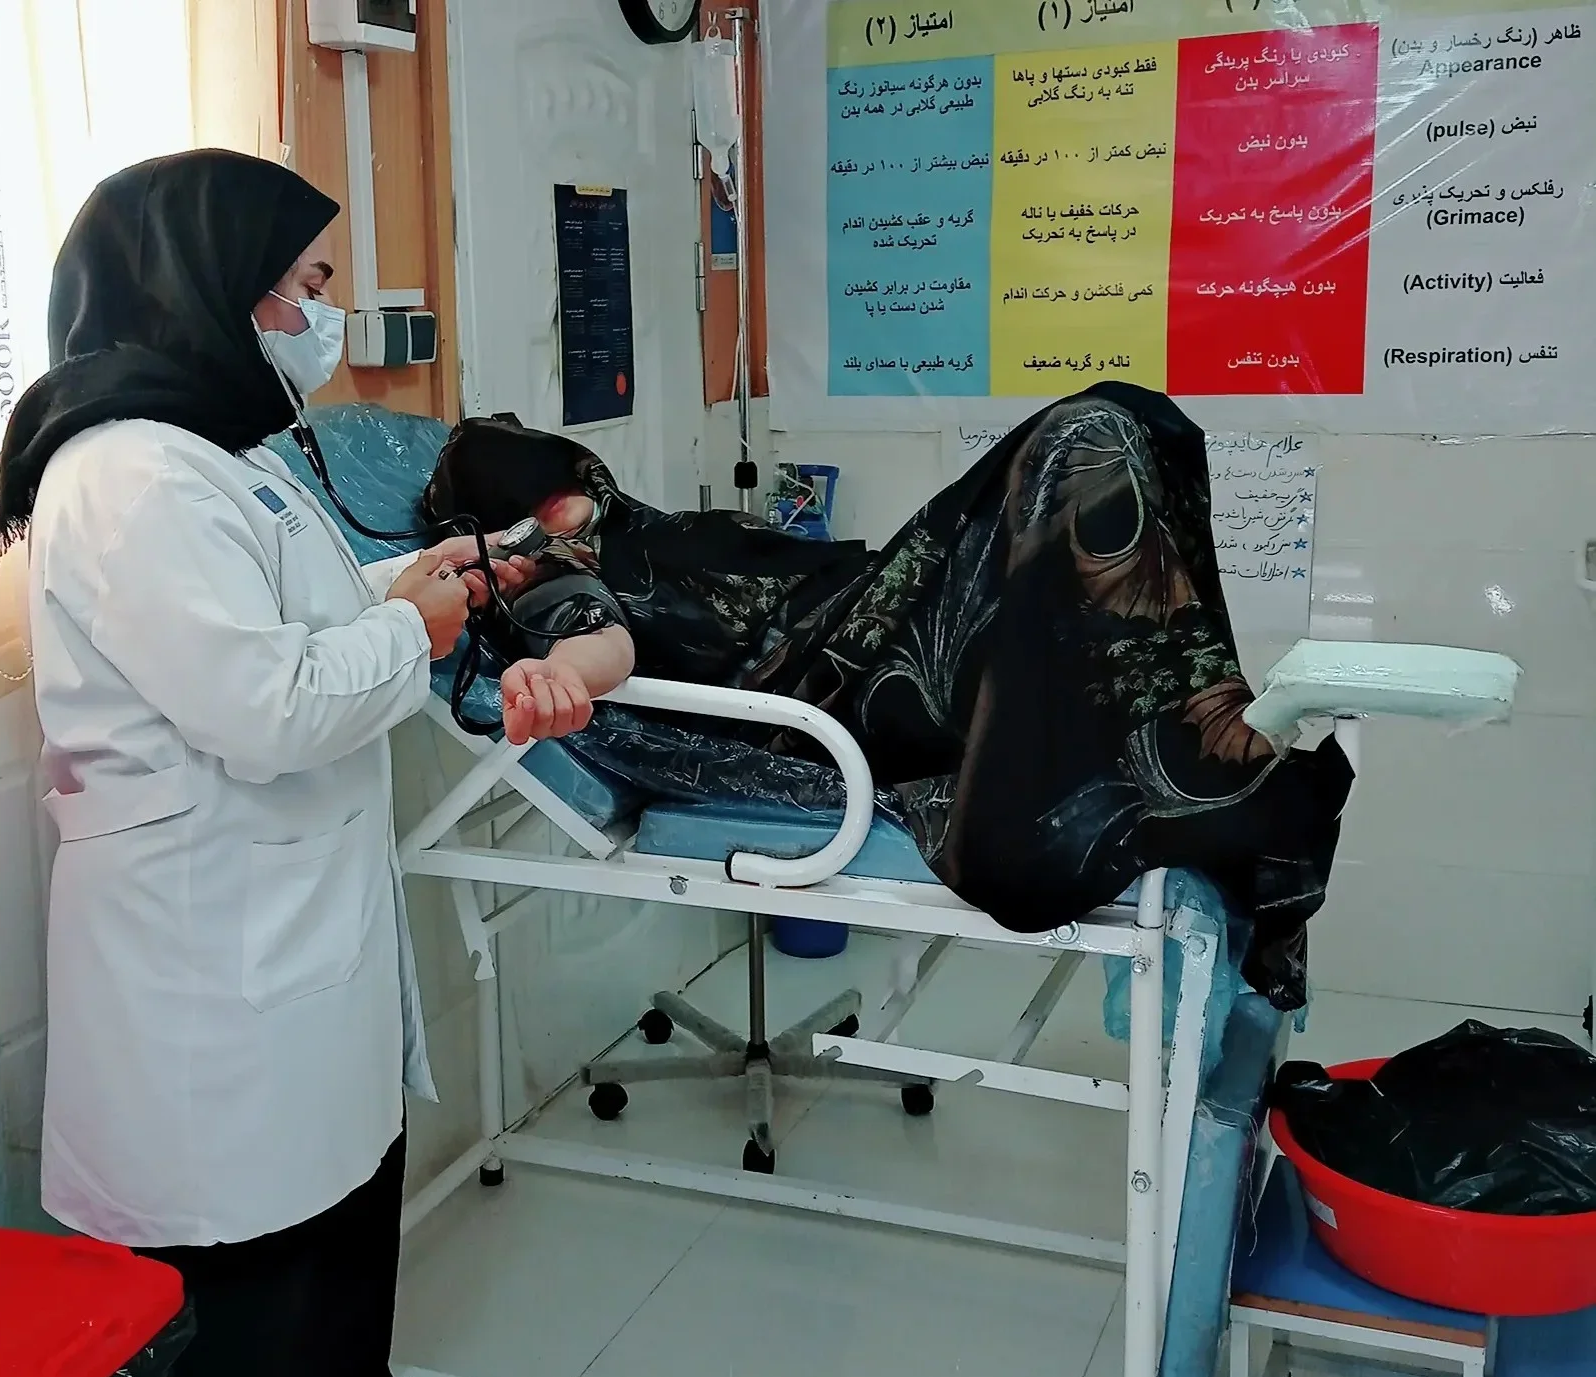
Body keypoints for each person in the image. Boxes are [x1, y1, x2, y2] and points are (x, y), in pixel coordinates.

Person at [0, 150, 573, 1377]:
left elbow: (281, 622)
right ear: (218, 285)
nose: (326, 315)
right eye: (307, 283)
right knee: (259, 1310)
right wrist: (413, 627)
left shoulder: (217, 454)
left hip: (281, 942)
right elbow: (264, 705)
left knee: (332, 1279)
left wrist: (411, 588)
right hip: (210, 973)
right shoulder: (130, 475)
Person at [423, 387, 1353, 1011]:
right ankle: (1194, 769)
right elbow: (603, 641)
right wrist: (562, 675)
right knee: (1086, 439)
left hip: (876, 612)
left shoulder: (637, 524)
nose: (581, 499)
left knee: (1129, 416)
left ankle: (1192, 744)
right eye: (556, 496)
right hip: (847, 673)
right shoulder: (545, 575)